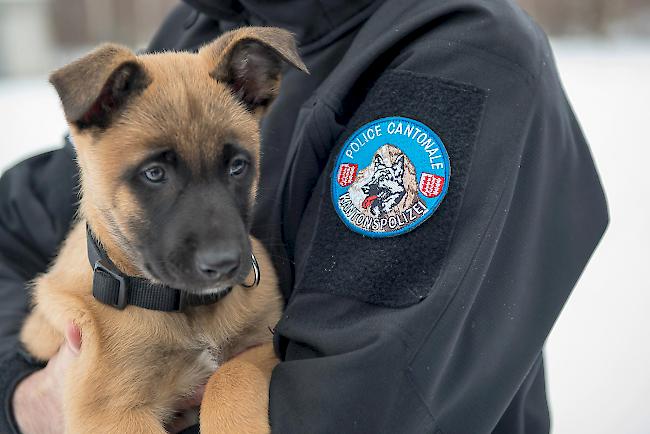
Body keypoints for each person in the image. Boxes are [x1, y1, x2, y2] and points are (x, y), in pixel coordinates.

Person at [0, 0, 608, 433]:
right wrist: (24, 397)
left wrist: (120, 403)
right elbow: (16, 227)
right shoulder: (202, 27)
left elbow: (355, 403)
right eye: (156, 174)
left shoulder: (459, 56)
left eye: (236, 167)